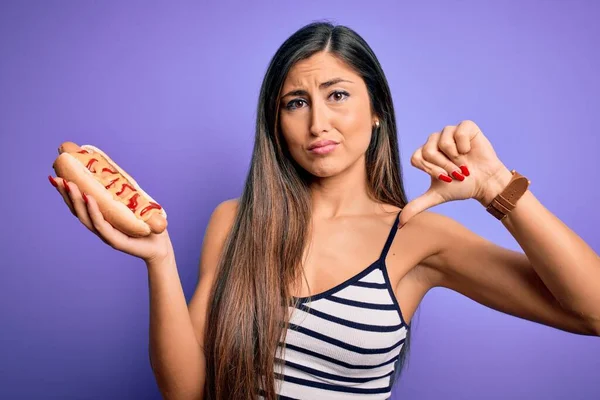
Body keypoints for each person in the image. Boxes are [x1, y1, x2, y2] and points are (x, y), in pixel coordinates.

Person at [49, 21, 600, 400]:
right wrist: (158, 258)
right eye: (296, 103)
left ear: (377, 109)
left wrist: (499, 188)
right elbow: (185, 390)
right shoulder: (233, 221)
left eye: (338, 95)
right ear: (276, 122)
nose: (317, 123)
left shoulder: (417, 238)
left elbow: (591, 313)